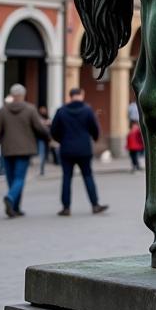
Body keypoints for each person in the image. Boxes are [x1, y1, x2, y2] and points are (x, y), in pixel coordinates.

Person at [0, 83, 51, 217]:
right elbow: (39, 127)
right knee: (19, 178)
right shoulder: (30, 109)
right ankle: (11, 198)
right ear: (23, 95)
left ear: (12, 95)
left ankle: (15, 208)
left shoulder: (3, 110)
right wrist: (48, 137)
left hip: (7, 149)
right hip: (24, 149)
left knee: (11, 179)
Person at [50, 88, 108, 216]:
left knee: (66, 178)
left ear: (70, 96)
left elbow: (53, 131)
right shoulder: (87, 110)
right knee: (88, 176)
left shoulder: (61, 111)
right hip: (84, 149)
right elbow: (95, 128)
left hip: (66, 149)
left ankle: (66, 208)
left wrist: (62, 140)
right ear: (81, 95)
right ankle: (95, 205)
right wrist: (94, 138)